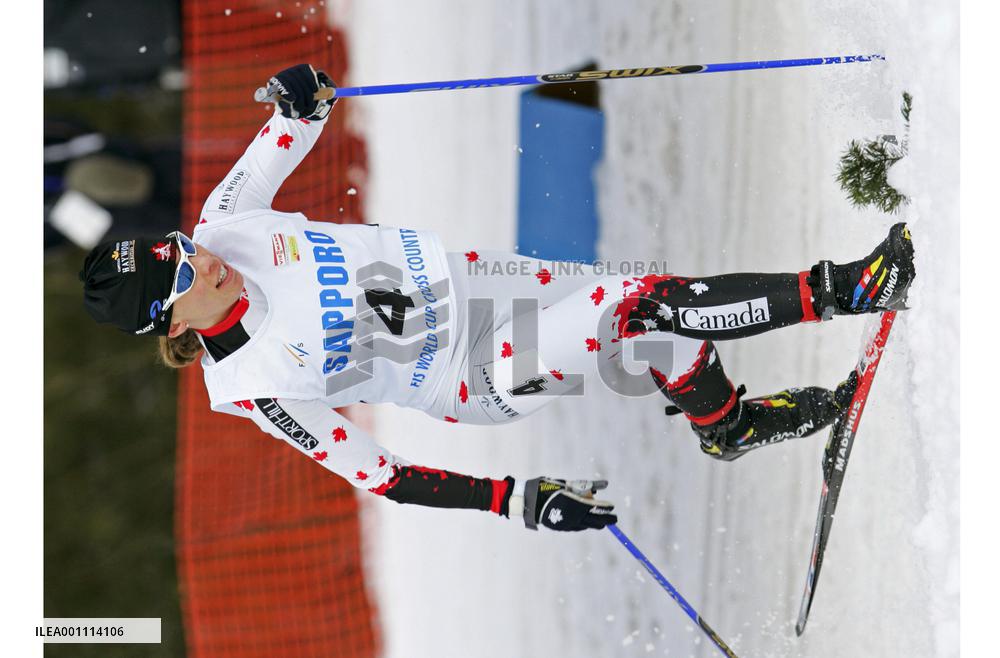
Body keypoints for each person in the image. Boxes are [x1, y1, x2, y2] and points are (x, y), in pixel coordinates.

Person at [80, 64, 916, 534]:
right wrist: (516, 499)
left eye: (183, 249)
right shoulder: (251, 387)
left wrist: (301, 93)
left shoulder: (225, 223)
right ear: (169, 320)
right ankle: (847, 288)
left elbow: (295, 123)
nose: (203, 262)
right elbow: (382, 476)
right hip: (471, 372)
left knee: (656, 329)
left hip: (479, 279)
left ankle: (725, 426)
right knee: (637, 307)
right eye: (184, 276)